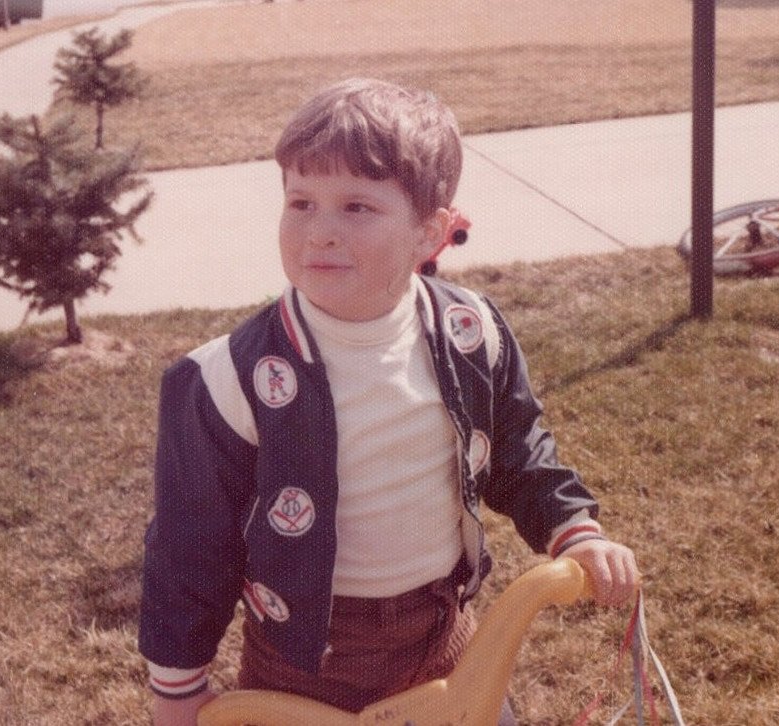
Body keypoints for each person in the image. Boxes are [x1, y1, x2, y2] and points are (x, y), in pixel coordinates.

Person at [138, 77, 641, 726]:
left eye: (356, 207)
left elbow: (518, 451)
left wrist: (573, 529)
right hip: (302, 660)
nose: (319, 231)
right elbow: (190, 547)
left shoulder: (469, 334)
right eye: (300, 202)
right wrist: (176, 689)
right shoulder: (227, 379)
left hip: (443, 636)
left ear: (427, 234)